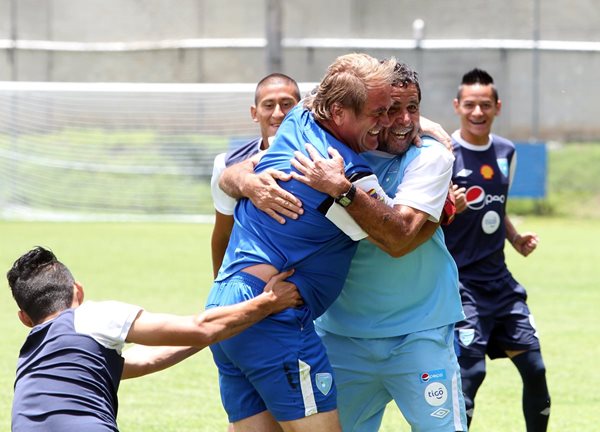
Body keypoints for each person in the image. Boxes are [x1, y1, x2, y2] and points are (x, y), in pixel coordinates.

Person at [206, 53, 424, 432]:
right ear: (339, 113)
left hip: (226, 306)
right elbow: (397, 236)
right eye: (377, 113)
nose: (387, 122)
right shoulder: (338, 172)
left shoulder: (300, 117)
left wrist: (427, 126)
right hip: (273, 317)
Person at [288, 62, 467, 431]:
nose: (403, 120)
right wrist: (237, 178)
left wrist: (342, 190)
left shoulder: (431, 156)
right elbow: (309, 105)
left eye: (413, 108)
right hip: (341, 334)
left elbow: (398, 239)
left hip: (420, 334)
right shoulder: (334, 147)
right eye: (389, 110)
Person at [8, 246, 302, 431]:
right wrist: (268, 303)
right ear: (79, 292)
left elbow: (143, 360)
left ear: (25, 318)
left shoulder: (32, 361)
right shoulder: (92, 316)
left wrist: (222, 331)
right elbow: (200, 327)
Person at [442, 68, 551, 431]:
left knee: (535, 368)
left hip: (501, 283)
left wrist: (515, 238)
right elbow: (424, 220)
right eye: (470, 105)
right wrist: (448, 209)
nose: (477, 112)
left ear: (497, 107)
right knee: (471, 373)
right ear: (457, 106)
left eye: (484, 105)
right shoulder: (444, 154)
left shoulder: (506, 151)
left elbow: (497, 207)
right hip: (461, 284)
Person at [210, 73, 302, 277]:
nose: (278, 113)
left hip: (306, 280)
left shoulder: (317, 158)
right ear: (255, 113)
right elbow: (224, 233)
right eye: (269, 105)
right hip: (251, 280)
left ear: (301, 108)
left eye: (287, 104)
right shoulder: (227, 164)